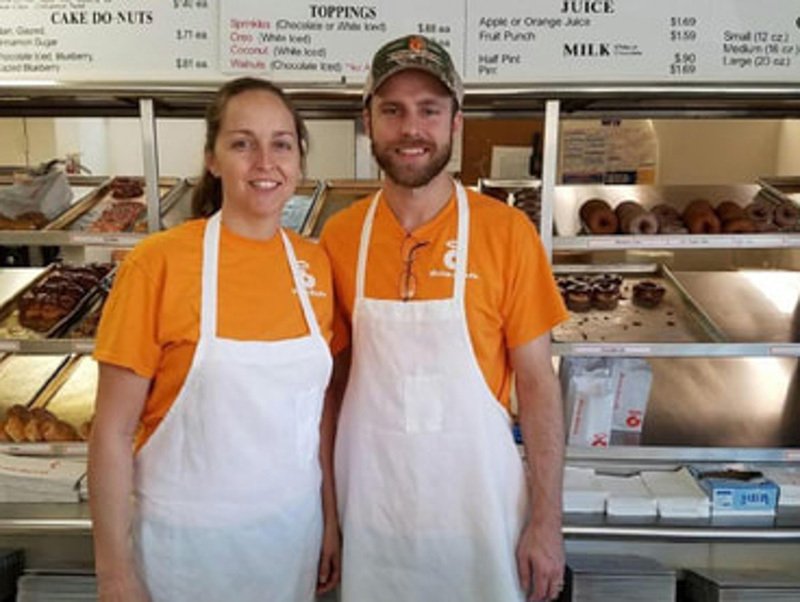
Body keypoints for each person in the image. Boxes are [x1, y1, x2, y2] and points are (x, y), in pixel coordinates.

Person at [319, 35, 569, 602]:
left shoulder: (507, 235)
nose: (411, 128)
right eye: (393, 110)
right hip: (373, 518)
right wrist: (327, 518)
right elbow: (329, 391)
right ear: (368, 123)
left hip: (482, 516)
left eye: (429, 110)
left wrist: (546, 522)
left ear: (455, 122)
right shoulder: (339, 239)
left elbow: (536, 383)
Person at [89, 77, 340, 602]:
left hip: (291, 537)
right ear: (212, 158)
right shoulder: (157, 264)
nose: (264, 162)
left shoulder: (314, 265)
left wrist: (330, 521)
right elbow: (111, 433)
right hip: (186, 550)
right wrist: (114, 574)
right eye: (242, 143)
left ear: (298, 161)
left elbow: (315, 415)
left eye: (281, 144)